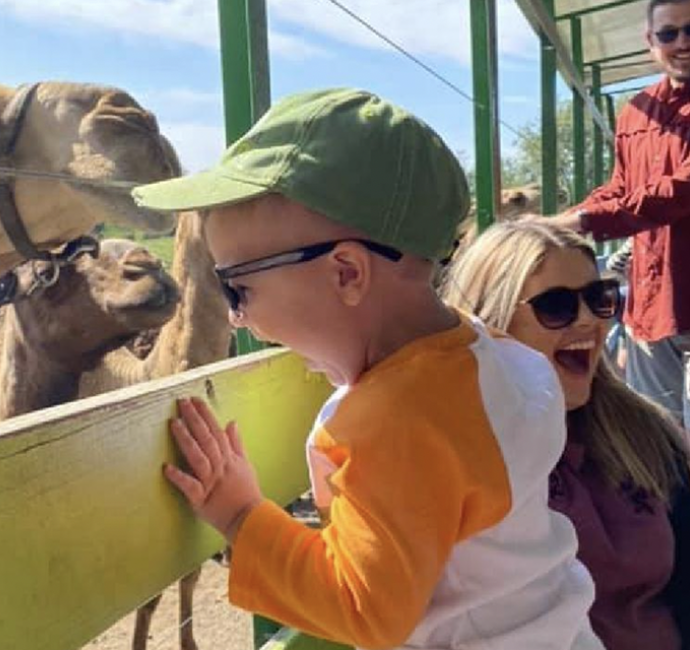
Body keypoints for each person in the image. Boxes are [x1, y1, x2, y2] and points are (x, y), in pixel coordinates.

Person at [131, 88, 602, 649]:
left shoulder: (398, 421)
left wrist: (239, 516)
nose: (237, 320)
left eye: (237, 288)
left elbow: (364, 611)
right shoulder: (501, 359)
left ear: (347, 274)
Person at [441, 220, 690, 650]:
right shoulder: (459, 457)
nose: (589, 321)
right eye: (556, 306)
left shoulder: (645, 435)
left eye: (599, 299)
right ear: (492, 326)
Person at [545, 0, 690, 427]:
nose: (681, 42)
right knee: (661, 438)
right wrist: (563, 223)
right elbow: (622, 188)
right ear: (650, 43)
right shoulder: (635, 112)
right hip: (651, 309)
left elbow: (677, 192)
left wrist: (584, 222)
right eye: (668, 33)